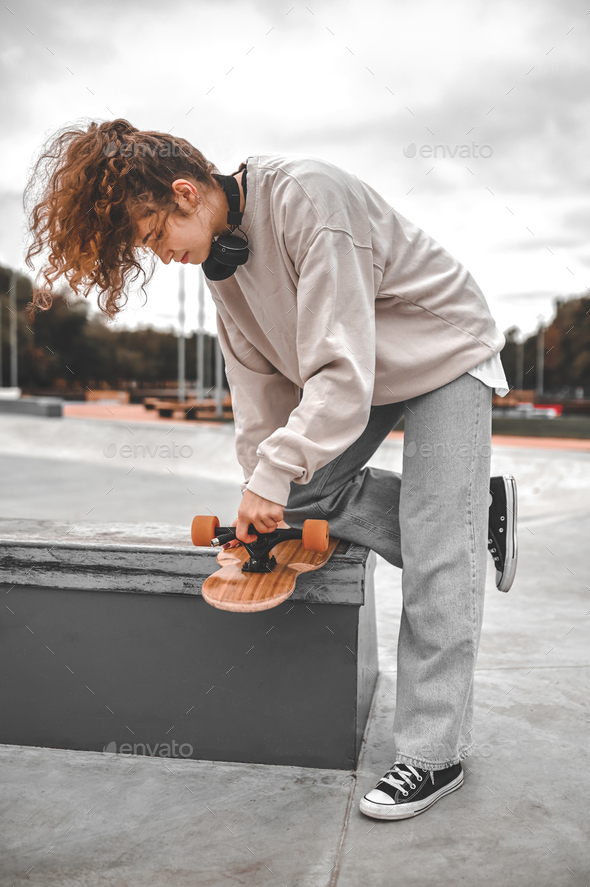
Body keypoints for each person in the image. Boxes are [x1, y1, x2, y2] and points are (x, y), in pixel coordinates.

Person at [24, 118, 518, 821]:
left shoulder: (310, 202)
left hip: (441, 349)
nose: (161, 255)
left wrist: (273, 475)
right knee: (304, 495)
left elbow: (338, 373)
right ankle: (473, 518)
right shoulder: (222, 266)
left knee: (438, 546)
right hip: (363, 368)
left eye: (153, 234)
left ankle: (432, 754)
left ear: (186, 193)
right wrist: (261, 482)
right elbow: (257, 393)